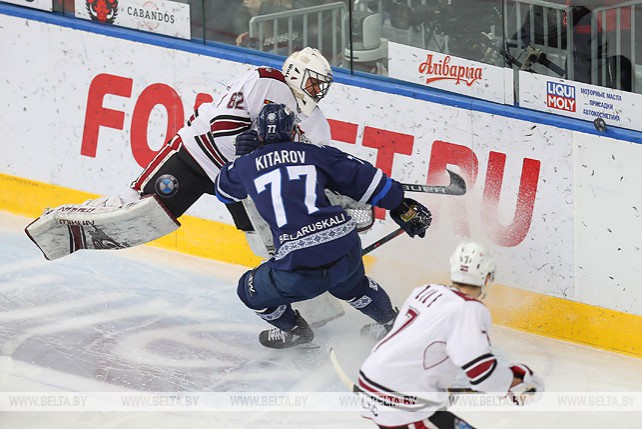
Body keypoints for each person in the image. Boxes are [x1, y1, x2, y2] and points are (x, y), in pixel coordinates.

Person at [25, 47, 335, 261]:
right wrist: (259, 154)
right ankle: (67, 222)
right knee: (136, 210)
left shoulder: (316, 122)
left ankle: (299, 299)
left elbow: (317, 167)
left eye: (322, 87)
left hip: (244, 185)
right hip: (197, 157)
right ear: (295, 72)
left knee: (273, 243)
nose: (317, 91)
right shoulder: (266, 81)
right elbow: (223, 129)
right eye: (313, 82)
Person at [214, 103, 433, 349]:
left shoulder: (245, 166)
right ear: (293, 130)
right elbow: (367, 180)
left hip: (298, 264)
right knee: (352, 285)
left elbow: (223, 191)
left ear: (260, 134)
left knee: (249, 290)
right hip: (343, 244)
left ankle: (296, 331)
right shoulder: (315, 153)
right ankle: (392, 323)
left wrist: (241, 158)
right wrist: (400, 205)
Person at [357, 241, 544, 429]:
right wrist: (512, 382)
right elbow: (482, 374)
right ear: (487, 277)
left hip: (372, 379)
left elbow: (411, 345)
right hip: (401, 398)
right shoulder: (469, 309)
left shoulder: (426, 290)